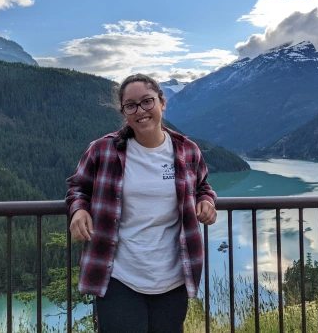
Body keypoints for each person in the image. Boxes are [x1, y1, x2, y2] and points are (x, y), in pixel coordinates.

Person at [65, 73, 217, 333]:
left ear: (162, 103)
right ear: (124, 112)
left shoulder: (187, 150)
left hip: (173, 278)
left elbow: (203, 186)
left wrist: (206, 201)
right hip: (118, 275)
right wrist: (78, 210)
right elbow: (77, 187)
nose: (141, 111)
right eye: (131, 105)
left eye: (147, 102)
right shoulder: (104, 150)